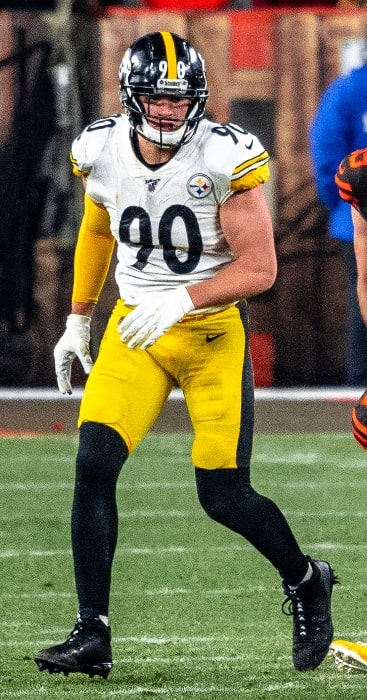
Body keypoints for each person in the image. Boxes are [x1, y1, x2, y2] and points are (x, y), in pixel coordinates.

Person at [34, 31, 337, 680]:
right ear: (130, 96)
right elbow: (96, 223)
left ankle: (307, 578)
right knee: (93, 463)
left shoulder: (224, 155)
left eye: (180, 100)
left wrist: (180, 300)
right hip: (134, 331)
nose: (169, 112)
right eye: (155, 98)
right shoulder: (101, 146)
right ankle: (93, 631)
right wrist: (77, 321)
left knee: (223, 496)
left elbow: (259, 268)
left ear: (197, 100)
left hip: (207, 335)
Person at [309, 60, 367, 386]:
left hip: (355, 212)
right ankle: (360, 386)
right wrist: (345, 204)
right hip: (358, 215)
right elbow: (327, 151)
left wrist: (341, 203)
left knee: (364, 301)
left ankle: (360, 391)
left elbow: (326, 152)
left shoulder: (346, 89)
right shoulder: (349, 90)